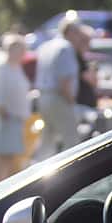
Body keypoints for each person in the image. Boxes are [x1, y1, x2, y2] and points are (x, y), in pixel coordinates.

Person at [0, 35, 34, 182]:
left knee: (10, 155)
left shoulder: (17, 68)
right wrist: (2, 112)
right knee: (0, 154)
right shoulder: (1, 69)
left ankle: (5, 184)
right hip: (3, 119)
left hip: (15, 118)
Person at [34, 15, 87, 156]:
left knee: (47, 140)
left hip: (43, 97)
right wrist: (71, 102)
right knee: (72, 142)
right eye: (77, 33)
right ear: (70, 32)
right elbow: (65, 81)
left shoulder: (46, 46)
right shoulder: (65, 47)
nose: (79, 38)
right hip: (59, 98)